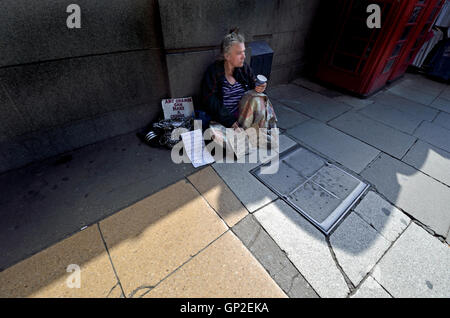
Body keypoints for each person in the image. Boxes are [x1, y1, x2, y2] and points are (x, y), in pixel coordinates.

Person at [200, 29, 277, 147]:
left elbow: (254, 88)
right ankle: (252, 138)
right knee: (214, 135)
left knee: (259, 99)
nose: (244, 56)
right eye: (239, 53)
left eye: (244, 52)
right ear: (227, 56)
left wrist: (260, 87)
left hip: (246, 116)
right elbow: (210, 101)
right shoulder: (214, 71)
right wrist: (230, 122)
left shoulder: (244, 68)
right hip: (226, 119)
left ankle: (250, 137)